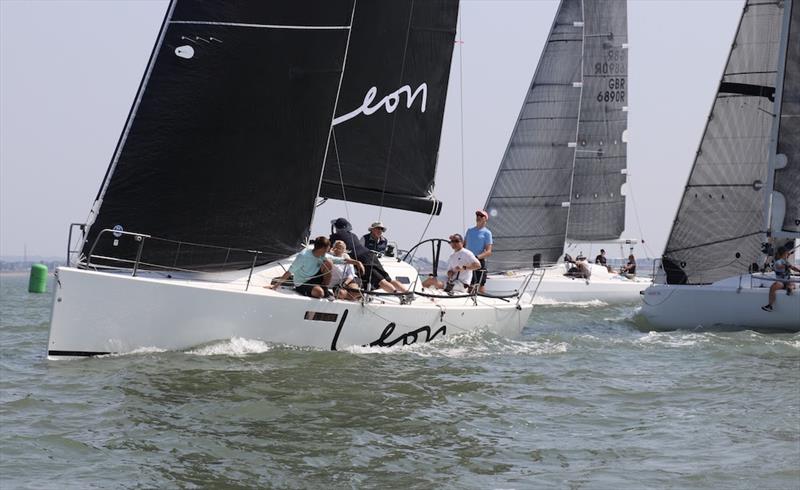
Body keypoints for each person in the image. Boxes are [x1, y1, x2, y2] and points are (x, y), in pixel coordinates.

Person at [266, 236, 363, 299]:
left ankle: (325, 289)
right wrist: (275, 287)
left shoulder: (323, 255)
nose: (330, 250)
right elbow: (289, 272)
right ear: (323, 248)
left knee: (329, 262)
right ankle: (320, 291)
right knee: (319, 294)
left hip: (315, 279)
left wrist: (357, 262)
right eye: (328, 248)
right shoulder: (303, 256)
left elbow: (341, 260)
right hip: (302, 282)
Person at [330, 217, 407, 293]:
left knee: (380, 281)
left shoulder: (335, 237)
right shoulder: (353, 235)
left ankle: (397, 294)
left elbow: (327, 248)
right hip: (370, 255)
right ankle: (407, 292)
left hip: (362, 259)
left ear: (337, 227)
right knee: (388, 280)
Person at [761, 248, 799, 312]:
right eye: (786, 254)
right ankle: (770, 305)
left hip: (784, 281)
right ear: (784, 254)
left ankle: (789, 289)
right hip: (783, 281)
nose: (787, 255)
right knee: (775, 287)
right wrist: (786, 266)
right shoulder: (779, 261)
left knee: (790, 283)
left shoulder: (785, 261)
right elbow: (778, 266)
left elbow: (793, 268)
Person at [464, 209, 493, 294]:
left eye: (481, 216)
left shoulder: (487, 233)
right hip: (468, 260)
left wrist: (477, 257)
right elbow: (463, 246)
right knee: (469, 284)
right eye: (477, 216)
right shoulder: (469, 230)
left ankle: (484, 303)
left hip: (478, 261)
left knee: (480, 286)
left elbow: (489, 251)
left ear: (485, 219)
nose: (478, 217)